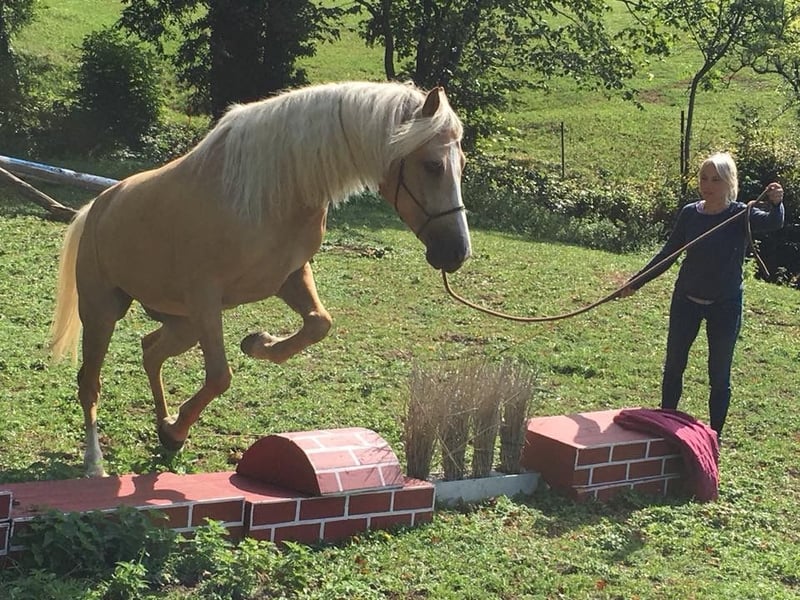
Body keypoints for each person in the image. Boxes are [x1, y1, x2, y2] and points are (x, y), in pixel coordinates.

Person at [618, 152, 784, 439]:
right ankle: (666, 426)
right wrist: (636, 282)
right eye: (704, 178)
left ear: (729, 182)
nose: (707, 185)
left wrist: (777, 202)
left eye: (715, 180)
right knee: (674, 366)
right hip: (686, 301)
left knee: (719, 374)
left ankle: (714, 437)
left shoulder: (741, 214)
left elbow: (774, 222)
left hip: (725, 305)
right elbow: (668, 254)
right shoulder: (690, 213)